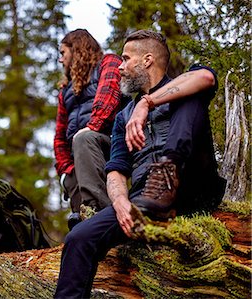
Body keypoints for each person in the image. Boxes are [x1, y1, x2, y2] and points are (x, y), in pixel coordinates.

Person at [54, 30, 226, 298]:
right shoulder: (124, 115)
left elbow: (205, 78)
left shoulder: (185, 83)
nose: (119, 67)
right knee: (78, 238)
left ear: (147, 60)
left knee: (190, 95)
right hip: (146, 200)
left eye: (125, 59)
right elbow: (116, 168)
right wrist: (121, 202)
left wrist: (147, 103)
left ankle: (167, 172)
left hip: (193, 186)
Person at [53, 29, 124, 230]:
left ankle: (100, 214)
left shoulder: (108, 63)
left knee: (83, 140)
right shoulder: (65, 90)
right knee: (75, 167)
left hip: (111, 143)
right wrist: (65, 169)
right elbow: (59, 134)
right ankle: (85, 229)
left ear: (77, 50)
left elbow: (108, 101)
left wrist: (89, 129)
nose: (60, 60)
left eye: (63, 53)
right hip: (82, 151)